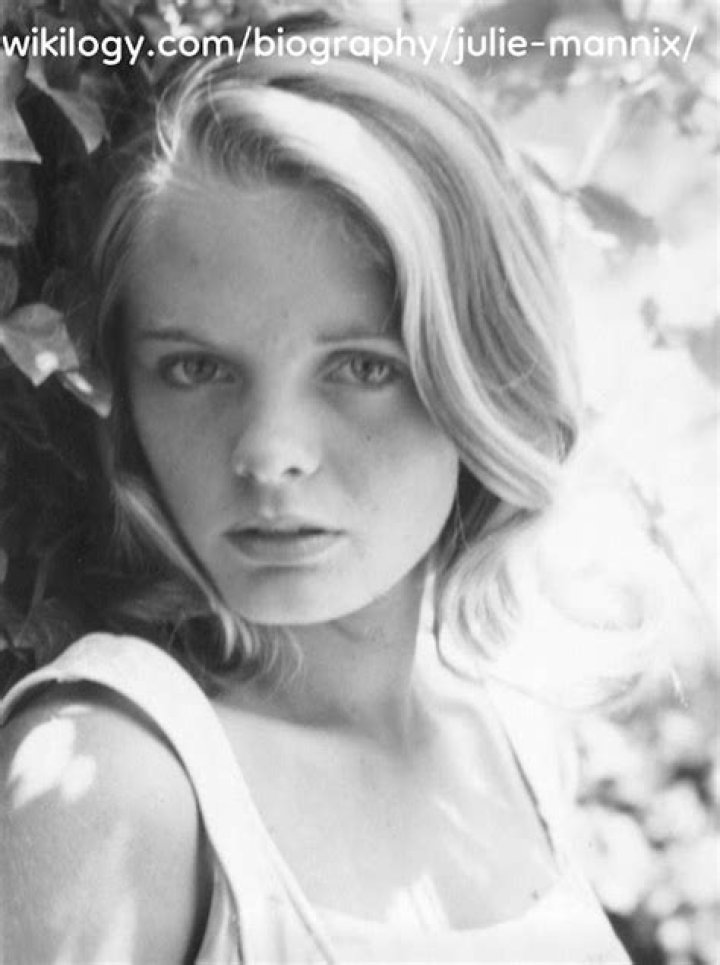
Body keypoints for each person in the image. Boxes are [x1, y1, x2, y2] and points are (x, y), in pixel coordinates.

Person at [0, 13, 638, 963]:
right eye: (196, 369)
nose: (269, 453)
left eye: (361, 367)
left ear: (482, 372)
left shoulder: (514, 738)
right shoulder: (116, 776)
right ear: (125, 390)